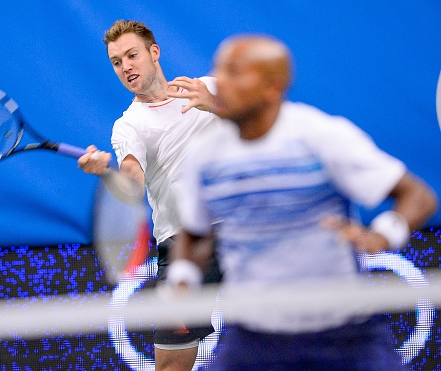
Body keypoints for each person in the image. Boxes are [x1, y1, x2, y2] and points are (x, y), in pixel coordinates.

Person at [166, 34, 438, 370]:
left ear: (272, 88)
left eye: (234, 73)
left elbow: (418, 197)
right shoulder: (203, 157)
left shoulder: (321, 136)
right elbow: (194, 234)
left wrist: (381, 237)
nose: (219, 81)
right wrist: (182, 278)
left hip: (345, 335)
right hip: (253, 338)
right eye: (217, 69)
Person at [78, 20, 222, 371]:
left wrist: (214, 103)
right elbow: (132, 181)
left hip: (244, 229)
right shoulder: (129, 126)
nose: (126, 66)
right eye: (116, 61)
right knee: (172, 363)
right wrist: (106, 174)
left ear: (154, 53)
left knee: (292, 338)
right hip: (186, 245)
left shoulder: (205, 88)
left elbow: (263, 121)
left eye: (132, 55)